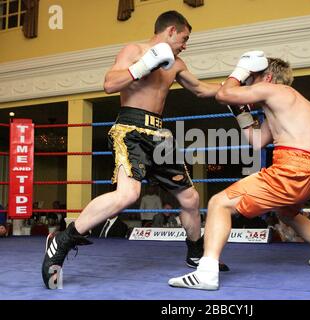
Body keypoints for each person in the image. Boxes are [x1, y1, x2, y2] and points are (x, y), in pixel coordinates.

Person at [42, 10, 228, 290]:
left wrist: (235, 85)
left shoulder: (177, 63)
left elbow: (201, 89)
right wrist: (143, 66)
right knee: (128, 194)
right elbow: (108, 84)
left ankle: (195, 253)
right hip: (130, 128)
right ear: (171, 31)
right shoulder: (134, 50)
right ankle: (63, 240)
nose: (186, 44)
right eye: (185, 38)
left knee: (190, 198)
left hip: (159, 135)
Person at [169, 52, 310, 290]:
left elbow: (224, 93)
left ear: (268, 77)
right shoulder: (294, 102)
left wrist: (240, 70)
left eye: (252, 79)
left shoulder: (275, 91)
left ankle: (206, 273)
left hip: (292, 170)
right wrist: (240, 112)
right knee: (287, 213)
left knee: (220, 203)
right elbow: (257, 141)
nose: (247, 85)